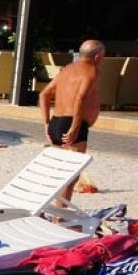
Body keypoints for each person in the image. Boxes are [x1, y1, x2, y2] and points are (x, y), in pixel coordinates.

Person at [38, 39, 103, 201]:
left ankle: (52, 211)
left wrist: (46, 123)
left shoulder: (66, 69)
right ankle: (59, 217)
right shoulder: (91, 70)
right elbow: (80, 98)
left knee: (58, 171)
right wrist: (75, 127)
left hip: (56, 122)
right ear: (98, 56)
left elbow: (43, 94)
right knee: (71, 175)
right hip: (73, 124)